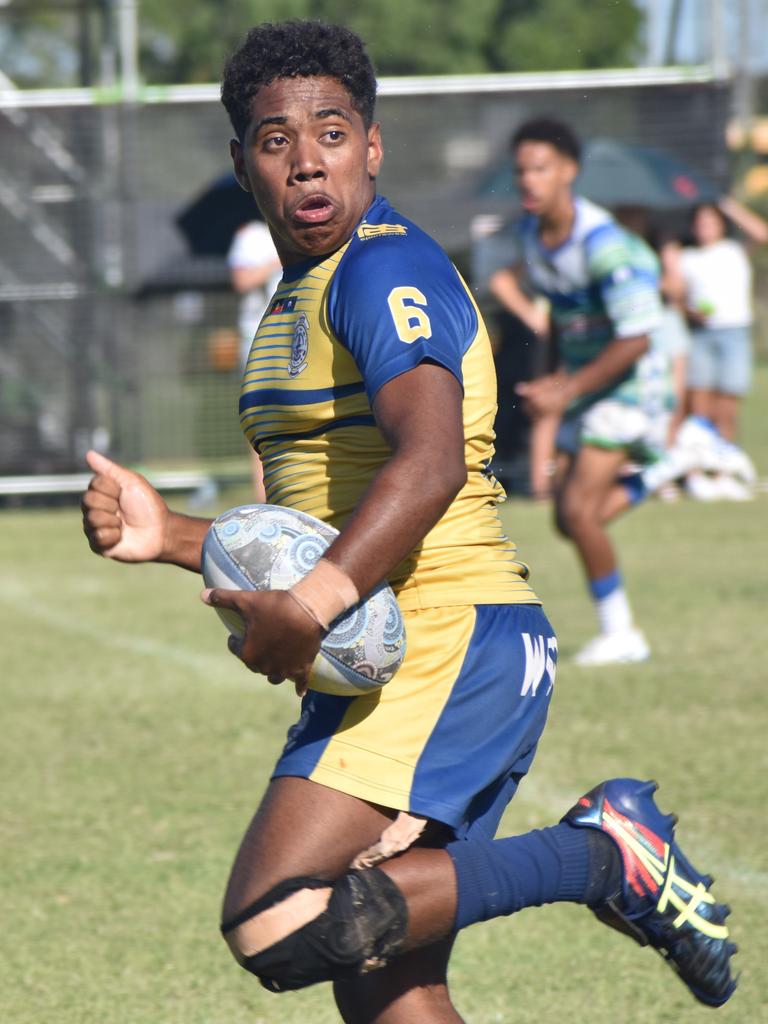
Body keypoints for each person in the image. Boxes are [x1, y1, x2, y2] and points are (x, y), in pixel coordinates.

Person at [81, 23, 736, 1023]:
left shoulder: (383, 269)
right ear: (241, 162)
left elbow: (427, 462)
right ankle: (604, 855)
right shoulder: (298, 295)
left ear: (373, 147)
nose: (307, 159)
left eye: (333, 132)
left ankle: (605, 854)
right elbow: (318, 518)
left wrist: (310, 604)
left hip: (447, 637)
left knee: (279, 919)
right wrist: (169, 533)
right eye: (276, 138)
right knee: (389, 993)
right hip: (392, 646)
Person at [485, 119, 681, 667]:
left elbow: (638, 338)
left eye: (540, 168)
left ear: (570, 171)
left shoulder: (605, 244)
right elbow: (559, 322)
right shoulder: (532, 238)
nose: (528, 180)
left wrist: (567, 387)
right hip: (590, 388)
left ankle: (622, 634)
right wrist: (551, 377)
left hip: (631, 384)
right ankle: (657, 473)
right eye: (521, 169)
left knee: (575, 509)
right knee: (567, 517)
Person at [663, 198, 767, 500]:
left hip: (733, 333)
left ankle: (722, 473)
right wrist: (691, 312)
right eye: (699, 222)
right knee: (699, 407)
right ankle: (694, 473)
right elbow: (677, 295)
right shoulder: (687, 257)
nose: (704, 227)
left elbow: (762, 233)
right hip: (701, 334)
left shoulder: (734, 251)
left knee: (728, 408)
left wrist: (730, 206)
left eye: (710, 221)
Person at [227, 219, 282, 496]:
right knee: (260, 423)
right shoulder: (251, 236)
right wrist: (276, 263)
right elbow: (241, 279)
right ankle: (264, 500)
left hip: (295, 337)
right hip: (258, 340)